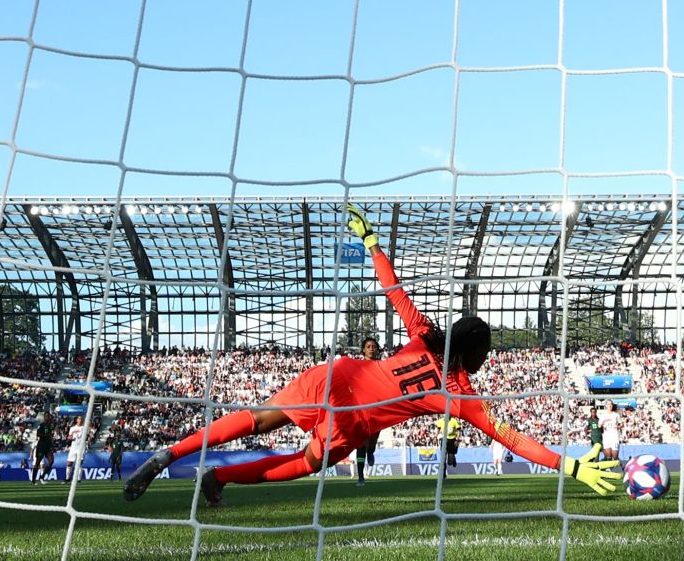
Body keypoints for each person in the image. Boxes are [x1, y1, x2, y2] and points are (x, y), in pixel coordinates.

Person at [123, 204, 621, 506]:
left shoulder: (424, 333)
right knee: (304, 462)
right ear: (474, 355)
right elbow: (512, 438)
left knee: (258, 418)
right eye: (486, 353)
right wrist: (571, 466)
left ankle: (172, 453)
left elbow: (393, 287)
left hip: (335, 374)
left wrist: (370, 240)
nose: (488, 360)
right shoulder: (459, 392)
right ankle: (221, 477)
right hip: (351, 419)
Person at [354, 337, 383, 487]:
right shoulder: (357, 366)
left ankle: (371, 451)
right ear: (363, 350)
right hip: (361, 407)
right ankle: (360, 477)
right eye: (368, 346)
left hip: (377, 407)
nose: (371, 348)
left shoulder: (381, 366)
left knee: (372, 440)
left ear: (377, 349)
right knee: (361, 441)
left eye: (373, 346)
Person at [31, 412, 55, 485]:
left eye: (49, 416)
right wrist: (46, 435)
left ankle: (42, 477)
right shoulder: (41, 425)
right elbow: (38, 434)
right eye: (47, 416)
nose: (48, 417)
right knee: (37, 463)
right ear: (44, 417)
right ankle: (33, 480)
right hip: (41, 446)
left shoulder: (50, 426)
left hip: (48, 446)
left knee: (51, 461)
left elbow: (50, 435)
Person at [436, 414, 462, 479]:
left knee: (450, 463)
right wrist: (436, 436)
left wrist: (457, 439)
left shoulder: (454, 421)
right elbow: (438, 429)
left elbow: (459, 430)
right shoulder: (441, 421)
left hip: (452, 440)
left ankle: (453, 459)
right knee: (443, 458)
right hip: (444, 440)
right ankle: (443, 474)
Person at [65, 416, 86, 482]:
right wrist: (70, 438)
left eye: (81, 418)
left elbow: (86, 436)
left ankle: (79, 479)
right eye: (79, 418)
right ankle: (67, 478)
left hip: (81, 447)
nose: (81, 419)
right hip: (73, 447)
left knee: (79, 463)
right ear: (76, 420)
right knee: (69, 463)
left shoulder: (84, 428)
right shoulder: (72, 428)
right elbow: (69, 436)